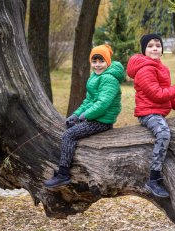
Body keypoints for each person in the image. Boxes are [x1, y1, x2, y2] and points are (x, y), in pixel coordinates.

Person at [126, 34, 175, 198]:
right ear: (144, 50)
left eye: (157, 45)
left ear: (161, 50)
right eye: (150, 46)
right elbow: (157, 95)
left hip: (158, 112)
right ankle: (153, 178)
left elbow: (169, 96)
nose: (154, 48)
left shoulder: (161, 68)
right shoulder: (145, 70)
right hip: (148, 113)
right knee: (163, 133)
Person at [45, 44, 125, 188]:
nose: (97, 65)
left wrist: (86, 115)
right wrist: (76, 115)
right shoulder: (94, 77)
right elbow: (88, 101)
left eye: (101, 61)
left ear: (108, 62)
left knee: (68, 135)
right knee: (68, 126)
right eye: (94, 61)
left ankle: (63, 174)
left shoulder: (109, 79)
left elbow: (103, 104)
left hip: (102, 120)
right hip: (95, 117)